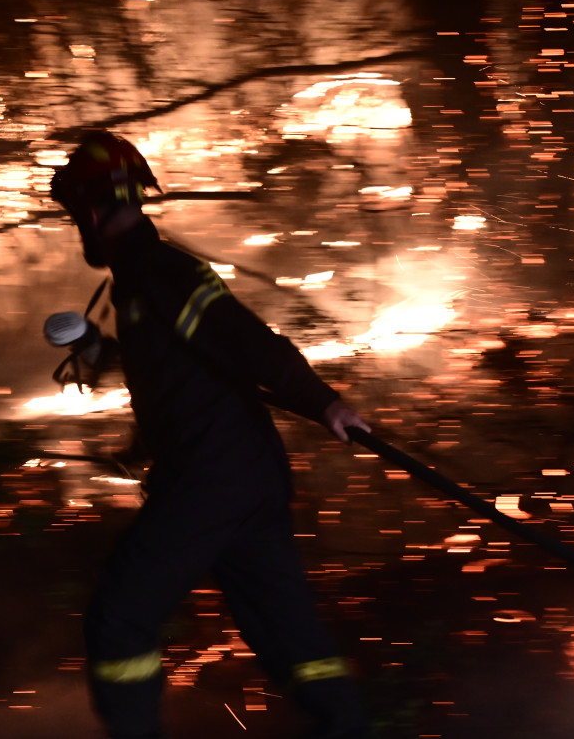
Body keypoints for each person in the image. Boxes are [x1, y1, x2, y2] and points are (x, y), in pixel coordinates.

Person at [47, 130, 372, 739]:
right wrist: (131, 438)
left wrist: (325, 404)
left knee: (119, 622)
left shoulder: (162, 271)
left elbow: (244, 340)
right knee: (290, 639)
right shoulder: (142, 282)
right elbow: (173, 377)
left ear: (89, 211)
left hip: (213, 481)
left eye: (75, 215)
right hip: (244, 479)